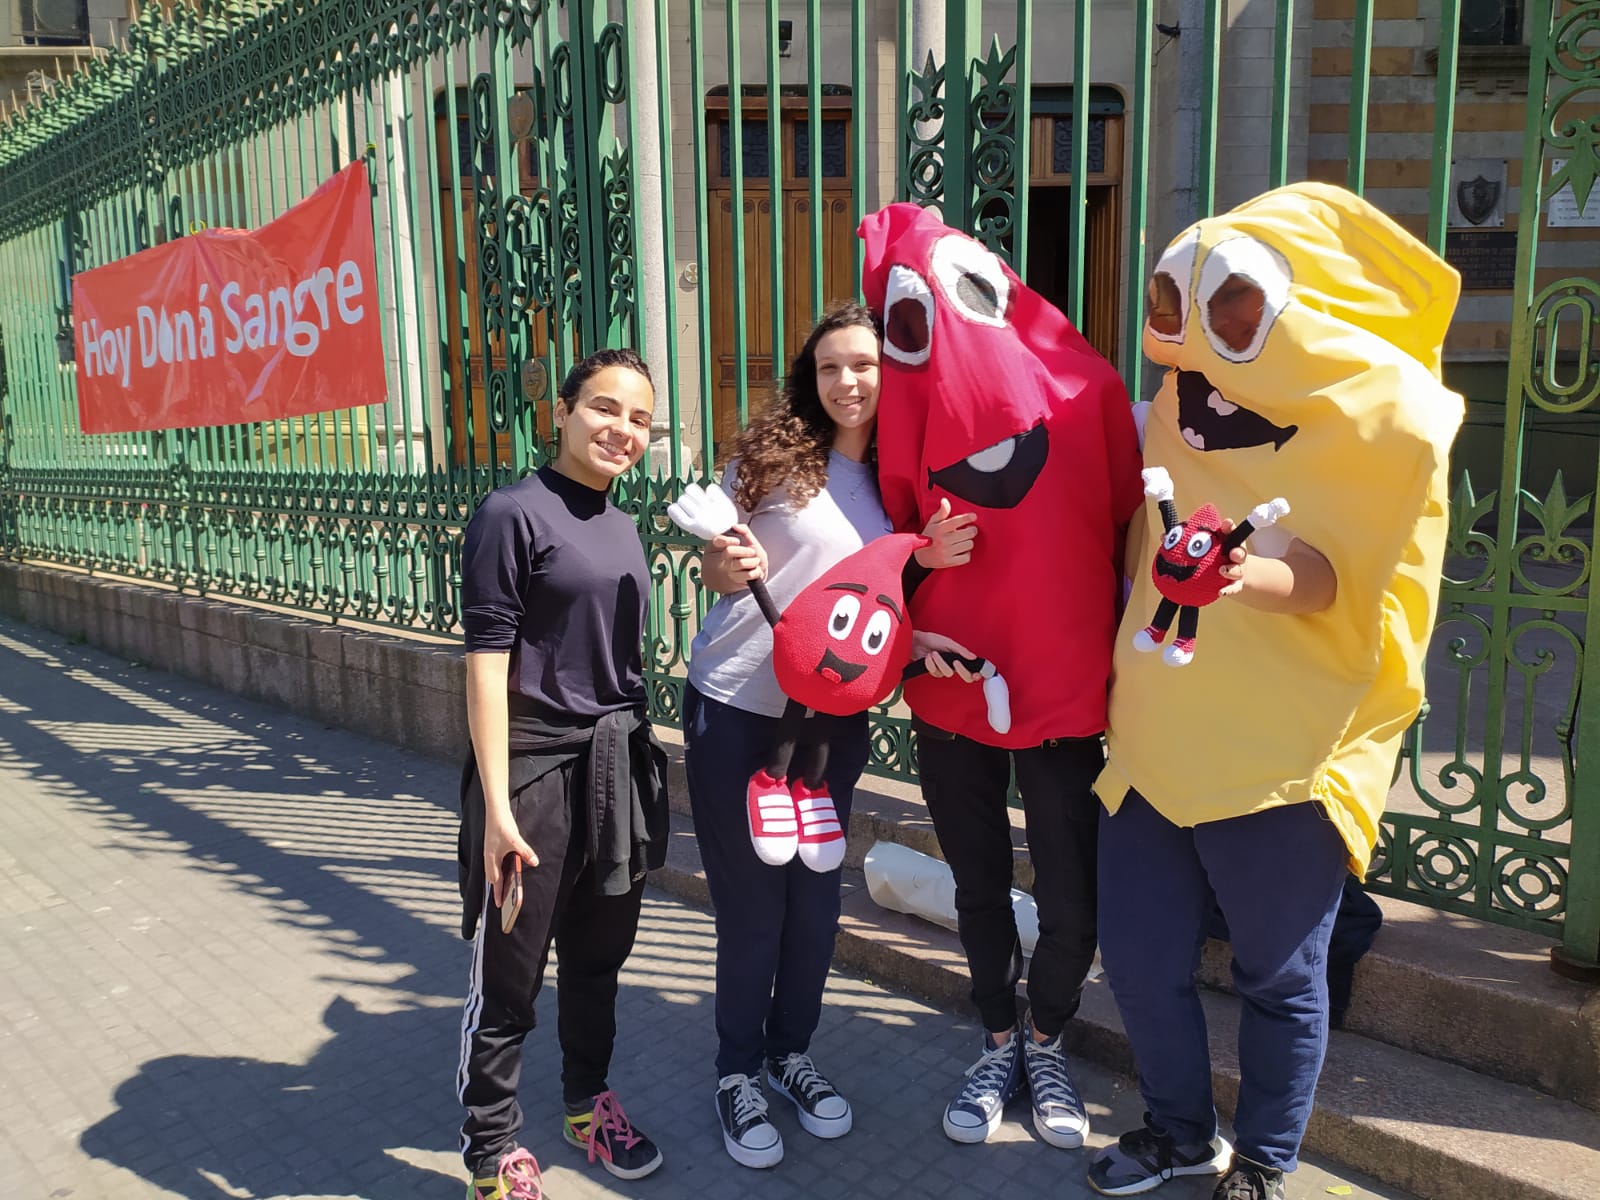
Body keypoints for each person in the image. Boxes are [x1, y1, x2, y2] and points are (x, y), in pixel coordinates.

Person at [1087, 183, 1463, 1200]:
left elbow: (1337, 574)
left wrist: (1239, 572)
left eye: (1231, 306)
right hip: (1155, 742)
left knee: (1278, 979)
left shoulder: (1366, 429)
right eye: (1171, 304)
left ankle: (1262, 1162)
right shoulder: (1176, 405)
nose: (1194, 329)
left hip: (1284, 757)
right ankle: (1176, 1132)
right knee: (1135, 955)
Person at [858, 203, 1143, 1150]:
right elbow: (861, 558)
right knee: (978, 885)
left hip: (1060, 680)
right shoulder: (892, 417)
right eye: (906, 312)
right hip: (952, 679)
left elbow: (1123, 527)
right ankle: (996, 1036)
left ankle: (1044, 1033)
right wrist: (918, 557)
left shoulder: (1085, 387)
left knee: (1073, 897)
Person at [682, 301, 975, 1169]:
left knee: (815, 903)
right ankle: (736, 1072)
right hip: (739, 706)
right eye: (832, 367)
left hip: (832, 722)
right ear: (812, 380)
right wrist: (718, 566)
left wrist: (921, 641)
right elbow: (711, 557)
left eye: (866, 366)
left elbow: (868, 611)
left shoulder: (900, 483)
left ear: (893, 377)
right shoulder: (770, 461)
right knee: (753, 904)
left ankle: (789, 1052)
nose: (849, 382)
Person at [455, 348, 671, 1200]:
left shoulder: (620, 521)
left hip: (614, 770)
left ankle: (587, 1104)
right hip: (535, 772)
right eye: (605, 409)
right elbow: (483, 664)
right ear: (564, 412)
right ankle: (490, 1150)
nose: (622, 429)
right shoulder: (512, 513)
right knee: (509, 971)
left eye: (641, 419)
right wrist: (499, 806)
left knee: (598, 957)